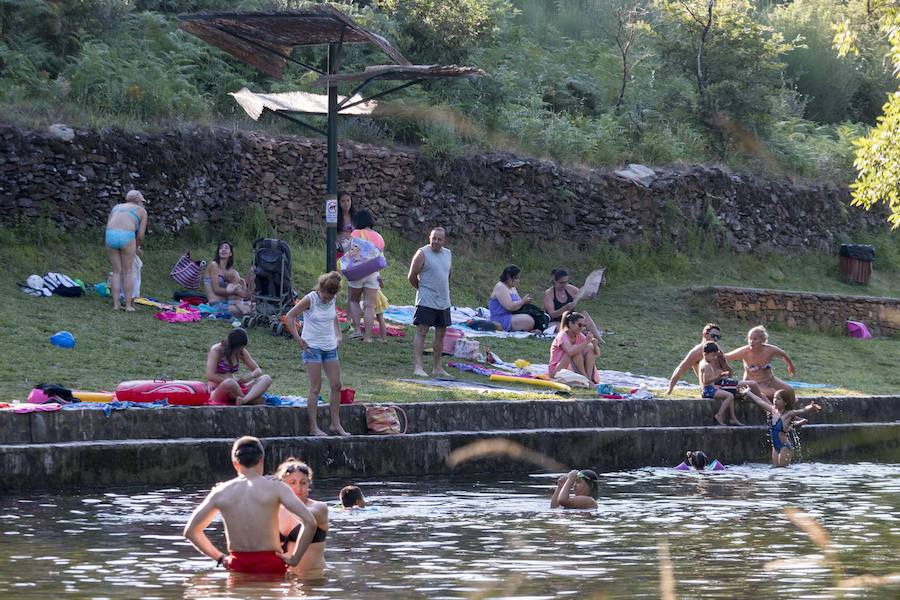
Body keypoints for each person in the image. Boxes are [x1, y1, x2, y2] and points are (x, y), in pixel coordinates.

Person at [183, 436, 317, 575]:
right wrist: (295, 558)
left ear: (235, 463)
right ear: (261, 460)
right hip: (270, 562)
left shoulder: (220, 492)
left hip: (238, 564)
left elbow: (191, 531)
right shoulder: (277, 487)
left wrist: (220, 558)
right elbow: (310, 522)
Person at [285, 272, 349, 436]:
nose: (327, 299)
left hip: (329, 346)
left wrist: (338, 334)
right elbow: (290, 316)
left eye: (330, 297)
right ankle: (314, 427)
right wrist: (298, 338)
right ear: (321, 289)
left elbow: (334, 316)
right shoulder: (310, 299)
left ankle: (336, 424)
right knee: (316, 387)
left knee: (337, 385)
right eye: (326, 296)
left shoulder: (332, 299)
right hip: (312, 347)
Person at [739, 384, 821, 467]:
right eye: (774, 398)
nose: (775, 400)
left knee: (783, 469)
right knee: (775, 469)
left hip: (785, 446)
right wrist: (748, 392)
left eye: (778, 399)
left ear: (785, 402)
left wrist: (810, 407)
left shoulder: (788, 414)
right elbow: (759, 401)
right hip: (775, 446)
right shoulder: (772, 410)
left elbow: (801, 410)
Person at [408, 227, 453, 377]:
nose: (436, 241)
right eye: (433, 238)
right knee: (422, 331)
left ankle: (437, 367)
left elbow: (447, 275)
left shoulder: (448, 254)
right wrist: (422, 290)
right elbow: (412, 276)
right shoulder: (422, 253)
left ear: (444, 241)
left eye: (439, 239)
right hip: (426, 300)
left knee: (441, 333)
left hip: (443, 300)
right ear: (429, 238)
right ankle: (418, 366)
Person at [275, 459, 328, 579]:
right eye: (292, 483)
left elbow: (306, 517)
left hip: (313, 577)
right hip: (283, 579)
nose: (298, 487)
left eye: (303, 483)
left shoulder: (319, 508)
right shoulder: (274, 510)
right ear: (283, 485)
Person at [104, 189, 148, 312]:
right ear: (139, 201)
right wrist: (136, 248)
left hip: (110, 235)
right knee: (128, 272)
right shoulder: (142, 211)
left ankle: (116, 304)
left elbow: (109, 225)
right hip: (127, 236)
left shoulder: (116, 207)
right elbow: (140, 236)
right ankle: (128, 305)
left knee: (117, 271)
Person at [725, 325, 796, 400]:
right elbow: (726, 356)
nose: (751, 342)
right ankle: (773, 410)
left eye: (755, 339)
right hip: (753, 384)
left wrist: (790, 366)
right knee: (773, 393)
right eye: (750, 339)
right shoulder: (745, 352)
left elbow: (784, 355)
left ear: (763, 340)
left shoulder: (770, 350)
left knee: (789, 390)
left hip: (770, 380)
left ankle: (791, 410)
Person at [346, 210, 385, 343]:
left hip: (358, 271)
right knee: (370, 306)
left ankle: (357, 331)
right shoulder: (379, 237)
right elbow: (380, 257)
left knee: (354, 300)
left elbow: (351, 252)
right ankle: (368, 337)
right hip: (373, 273)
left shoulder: (356, 233)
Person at [206, 328, 272, 406]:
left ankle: (244, 400)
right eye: (238, 348)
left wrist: (249, 376)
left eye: (242, 348)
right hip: (219, 388)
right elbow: (210, 375)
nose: (239, 350)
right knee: (230, 383)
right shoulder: (217, 350)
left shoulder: (241, 351)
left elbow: (258, 370)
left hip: (237, 389)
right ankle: (250, 400)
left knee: (266, 379)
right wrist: (233, 382)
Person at [542, 267, 602, 338]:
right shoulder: (549, 293)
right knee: (568, 330)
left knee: (583, 314)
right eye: (561, 283)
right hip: (555, 321)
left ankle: (599, 339)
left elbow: (585, 296)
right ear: (555, 281)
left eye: (566, 282)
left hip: (570, 318)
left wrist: (596, 287)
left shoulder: (570, 288)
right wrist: (565, 308)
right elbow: (552, 314)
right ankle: (584, 334)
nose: (564, 285)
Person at [548, 311, 600, 383]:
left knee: (590, 349)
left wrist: (595, 345)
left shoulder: (579, 335)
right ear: (570, 324)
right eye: (579, 325)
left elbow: (596, 354)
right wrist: (586, 342)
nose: (582, 328)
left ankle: (588, 378)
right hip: (556, 371)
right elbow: (570, 352)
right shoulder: (562, 336)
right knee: (575, 352)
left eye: (584, 326)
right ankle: (586, 379)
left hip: (568, 368)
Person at [698, 342, 743, 426]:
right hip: (707, 390)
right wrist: (719, 376)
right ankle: (719, 415)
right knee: (730, 396)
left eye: (715, 356)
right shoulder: (706, 365)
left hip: (710, 388)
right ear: (705, 353)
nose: (714, 358)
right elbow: (706, 382)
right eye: (712, 355)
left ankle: (733, 418)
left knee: (731, 394)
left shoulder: (704, 362)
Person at [204, 241, 252, 317]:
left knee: (253, 307)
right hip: (216, 304)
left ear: (230, 253)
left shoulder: (229, 270)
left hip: (229, 302)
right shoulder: (214, 265)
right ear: (218, 252)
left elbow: (240, 291)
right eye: (221, 248)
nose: (223, 249)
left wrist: (244, 286)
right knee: (250, 311)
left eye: (226, 248)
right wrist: (234, 291)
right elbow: (216, 290)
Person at [489, 265, 538, 332]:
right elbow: (509, 306)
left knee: (534, 317)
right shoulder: (500, 287)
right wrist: (523, 302)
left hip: (511, 315)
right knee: (528, 320)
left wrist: (525, 302)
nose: (518, 281)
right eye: (516, 278)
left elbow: (518, 304)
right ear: (508, 277)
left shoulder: (513, 288)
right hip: (500, 317)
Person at [335, 191, 355, 257]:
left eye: (348, 200)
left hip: (354, 250)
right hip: (340, 251)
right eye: (343, 201)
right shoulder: (336, 217)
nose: (346, 203)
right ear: (339, 203)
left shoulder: (355, 216)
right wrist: (335, 242)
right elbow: (323, 234)